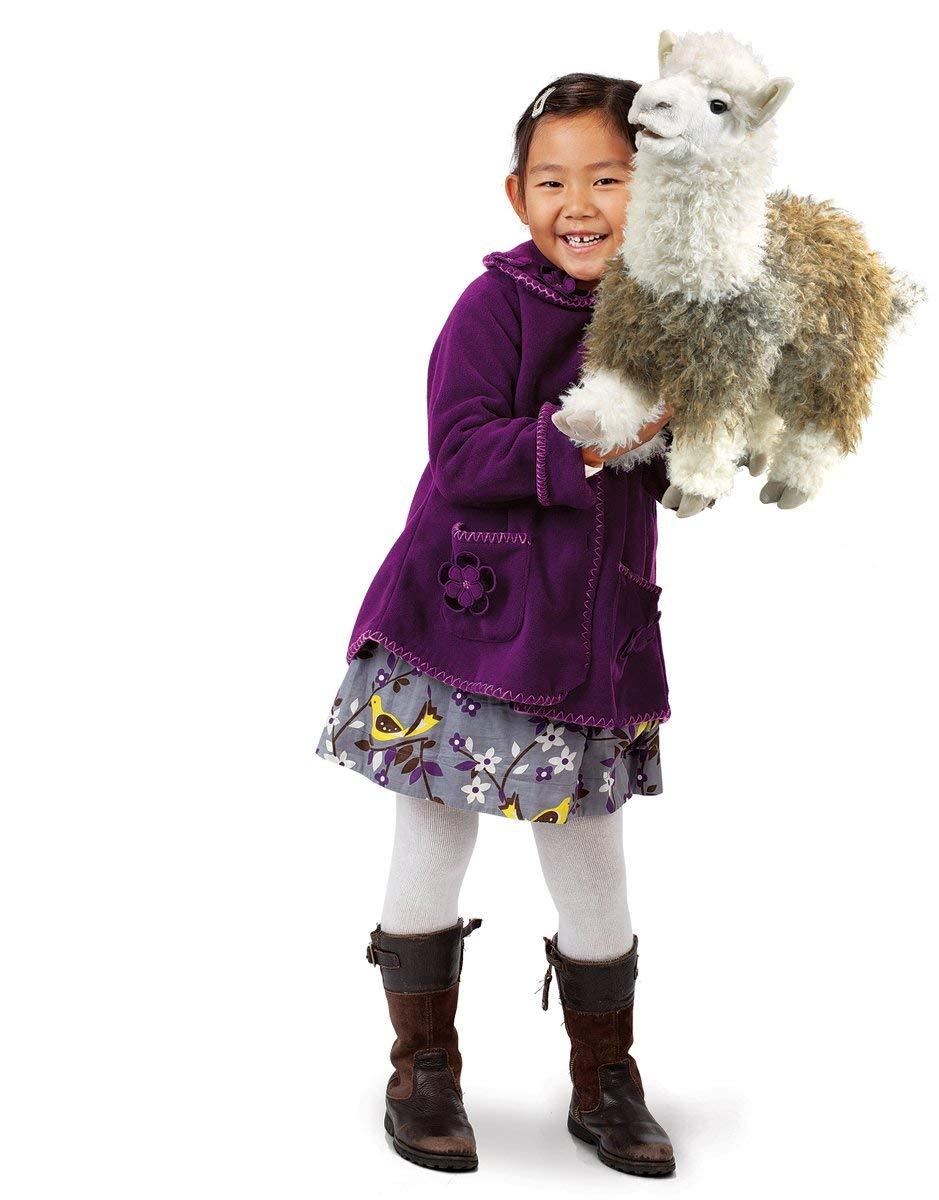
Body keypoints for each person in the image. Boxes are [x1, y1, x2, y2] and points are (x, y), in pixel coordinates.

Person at [316, 74, 677, 1177]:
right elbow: (464, 448)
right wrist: (586, 440)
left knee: (592, 860)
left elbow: (674, 462)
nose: (581, 204)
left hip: (589, 638)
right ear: (518, 196)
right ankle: (421, 1067)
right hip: (464, 630)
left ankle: (605, 1077)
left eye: (609, 179)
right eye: (554, 182)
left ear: (657, 192)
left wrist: (708, 437)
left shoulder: (666, 320)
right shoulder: (495, 307)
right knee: (434, 837)